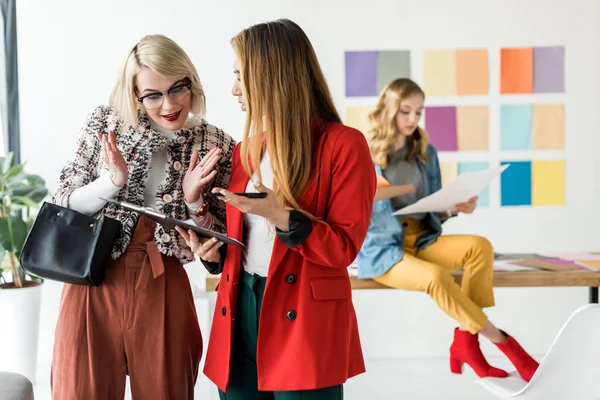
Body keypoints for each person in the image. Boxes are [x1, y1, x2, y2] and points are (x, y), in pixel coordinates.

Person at [177, 18, 375, 400]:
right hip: (238, 307)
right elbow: (243, 241)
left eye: (241, 75)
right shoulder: (246, 149)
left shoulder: (344, 145)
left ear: (272, 76)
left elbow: (344, 248)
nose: (233, 88)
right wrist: (213, 250)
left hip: (304, 316)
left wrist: (282, 216)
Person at [51, 34, 235, 399]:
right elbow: (63, 203)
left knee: (167, 391)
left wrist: (194, 203)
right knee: (80, 391)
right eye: (152, 94)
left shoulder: (215, 144)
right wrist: (111, 181)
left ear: (191, 82)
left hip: (164, 284)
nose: (168, 104)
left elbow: (220, 243)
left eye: (177, 88)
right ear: (134, 93)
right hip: (92, 281)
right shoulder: (105, 123)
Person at [357, 78, 539, 382]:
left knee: (479, 246)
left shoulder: (426, 153)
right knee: (437, 277)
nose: (413, 120)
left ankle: (465, 342)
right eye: (406, 111)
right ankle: (504, 343)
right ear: (390, 110)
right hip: (384, 250)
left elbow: (432, 206)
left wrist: (453, 208)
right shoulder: (364, 155)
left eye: (419, 112)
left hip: (421, 237)